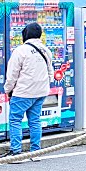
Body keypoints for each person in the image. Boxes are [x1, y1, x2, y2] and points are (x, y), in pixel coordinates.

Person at [4, 21, 54, 158]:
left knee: (15, 120)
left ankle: (16, 152)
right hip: (41, 92)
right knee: (35, 121)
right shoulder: (46, 50)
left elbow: (12, 75)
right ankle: (35, 152)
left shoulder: (20, 51)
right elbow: (51, 73)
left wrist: (7, 89)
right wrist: (45, 85)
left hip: (23, 93)